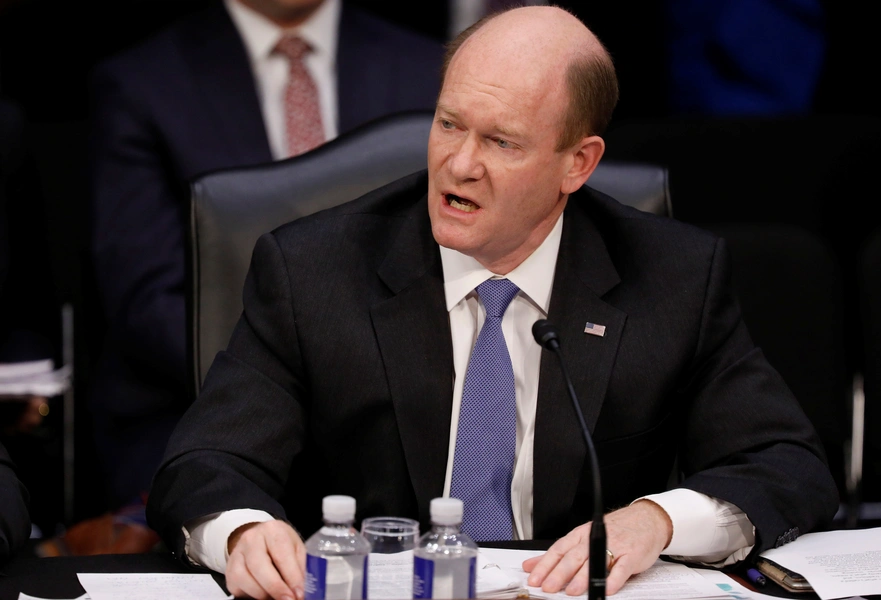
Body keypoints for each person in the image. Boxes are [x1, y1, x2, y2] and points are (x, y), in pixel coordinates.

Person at [147, 5, 839, 599]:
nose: (459, 164)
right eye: (449, 124)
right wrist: (243, 531)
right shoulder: (314, 272)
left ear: (579, 162)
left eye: (501, 141)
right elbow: (205, 463)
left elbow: (787, 463)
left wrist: (657, 519)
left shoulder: (672, 276)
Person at [87, 0, 445, 530]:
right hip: (195, 409)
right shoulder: (143, 80)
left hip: (403, 413)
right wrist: (288, 376)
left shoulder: (428, 67)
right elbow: (146, 296)